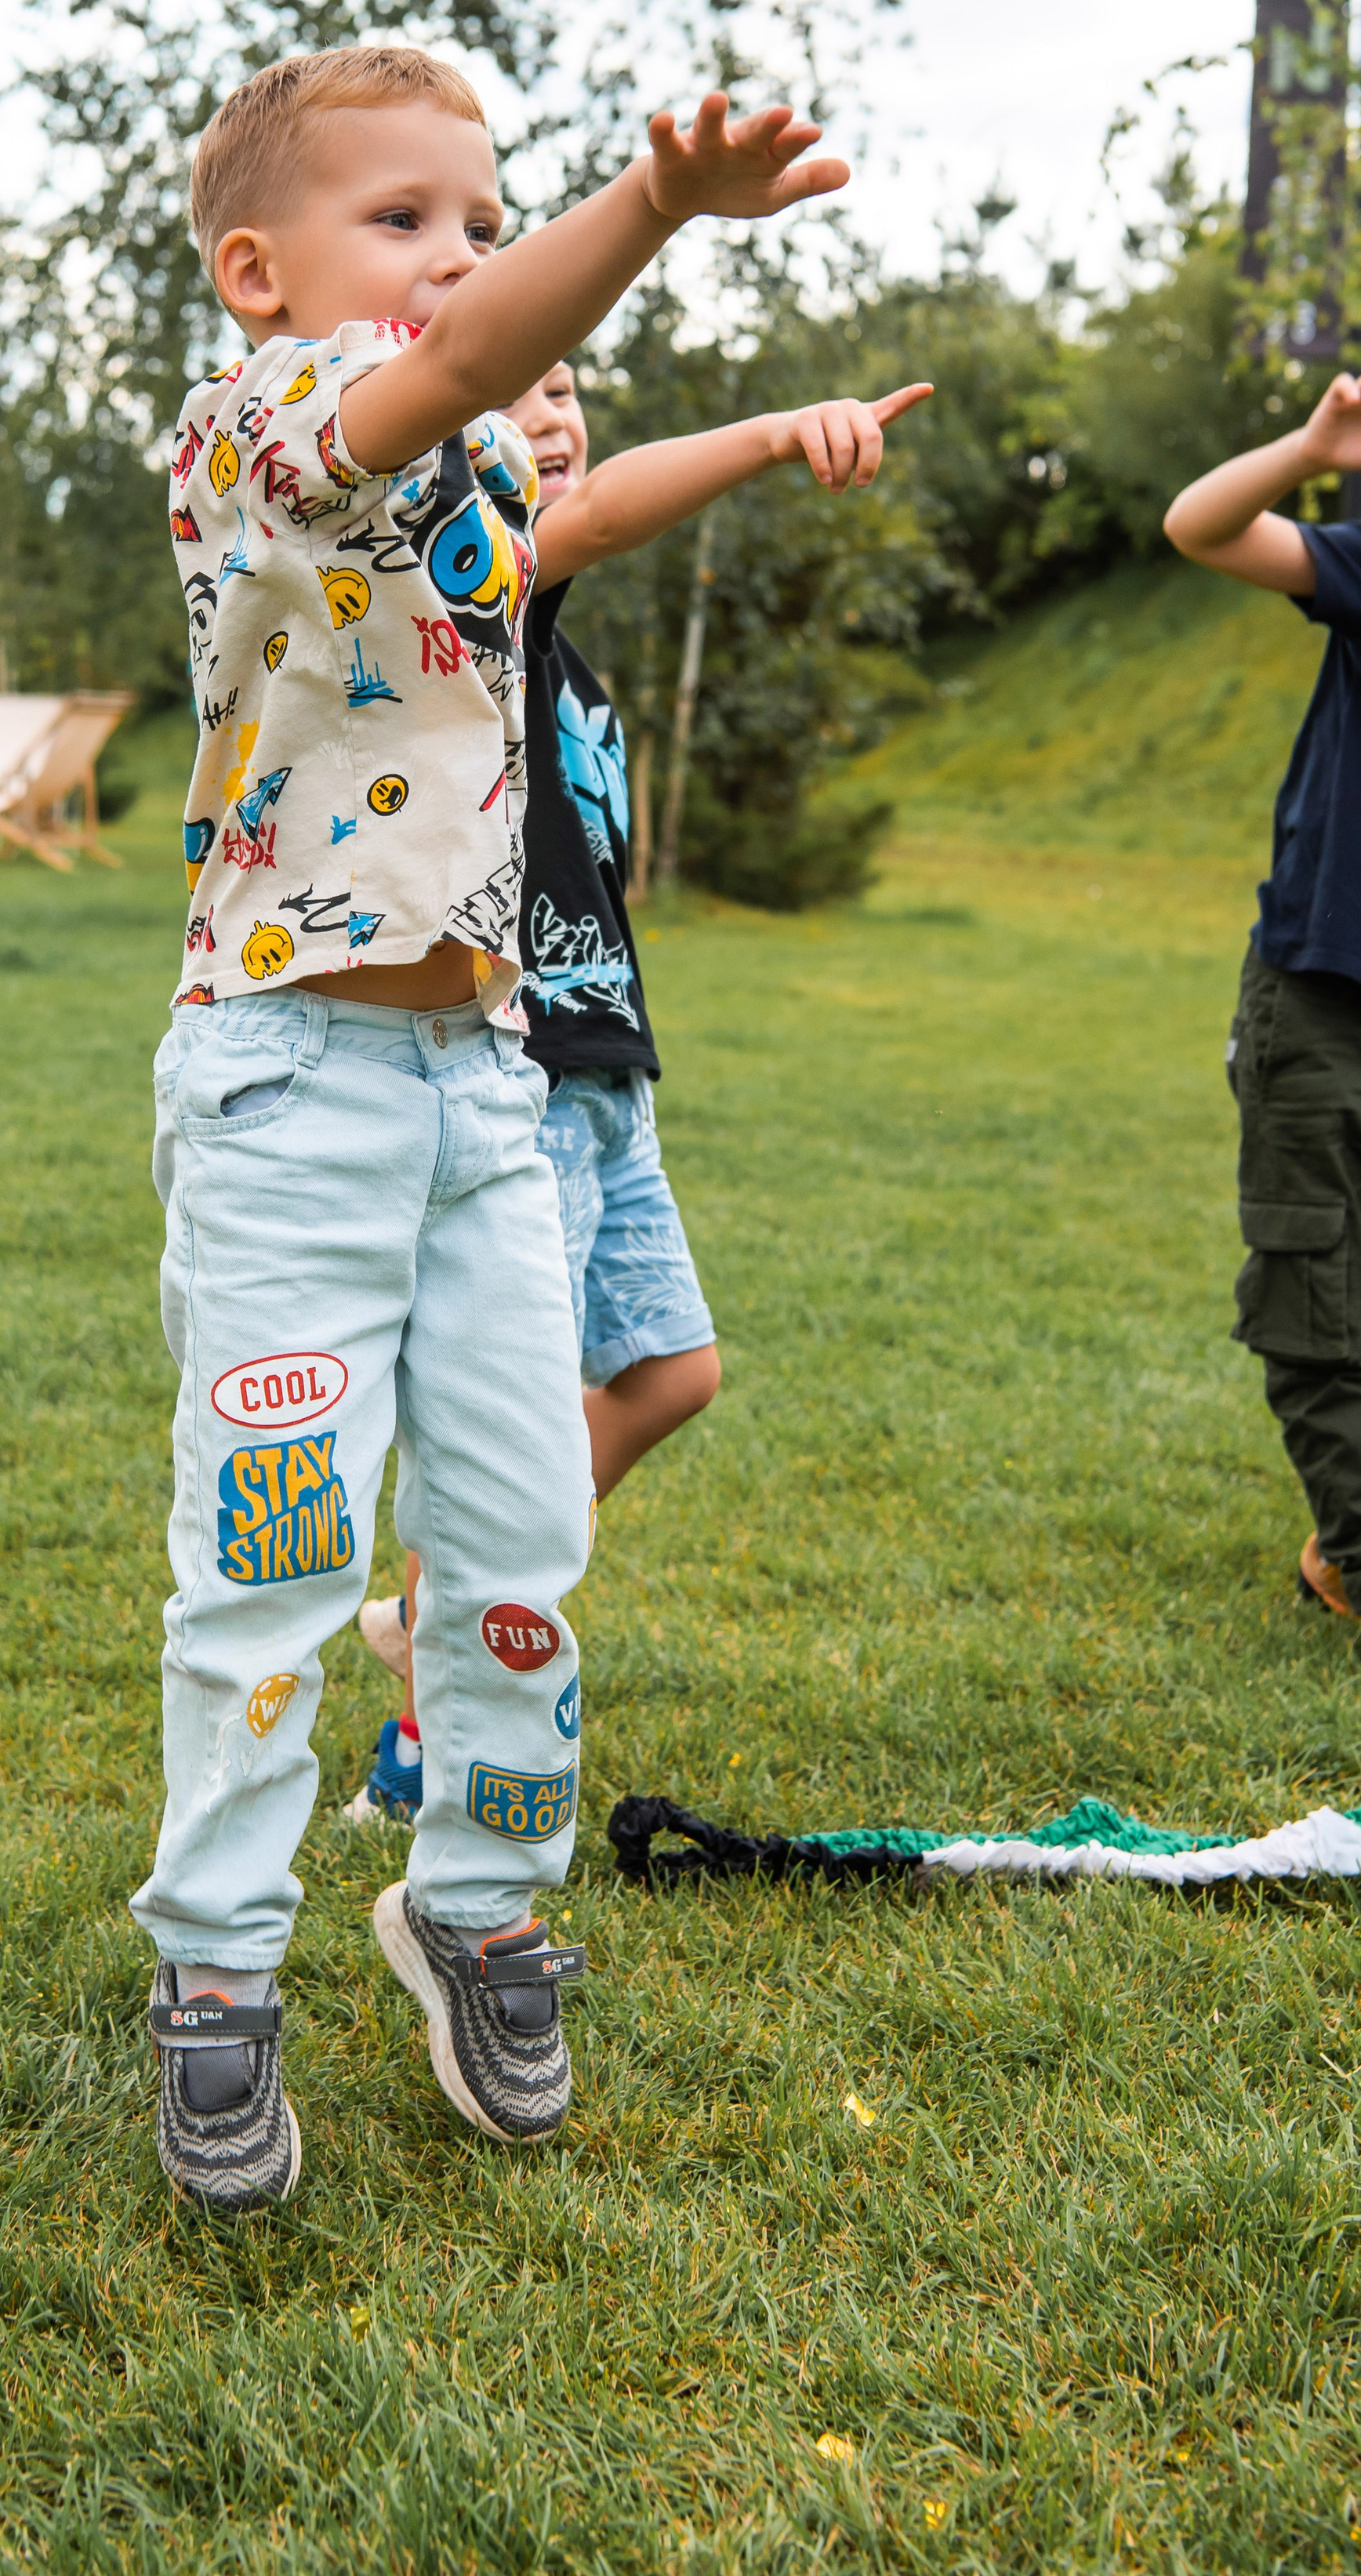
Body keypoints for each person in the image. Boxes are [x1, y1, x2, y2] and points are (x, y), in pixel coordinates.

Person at [139, 42, 850, 2211]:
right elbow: (460, 363)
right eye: (405, 218)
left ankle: (477, 1897)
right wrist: (643, 216)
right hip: (289, 1084)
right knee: (274, 1560)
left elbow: (584, 506)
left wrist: (770, 426)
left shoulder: (458, 499)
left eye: (481, 211)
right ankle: (218, 1972)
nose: (452, 253)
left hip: (490, 1085)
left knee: (525, 1539)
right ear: (260, 274)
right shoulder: (256, 431)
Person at [347, 358, 930, 1821]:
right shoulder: (483, 598)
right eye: (525, 387)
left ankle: (457, 1587)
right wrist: (774, 433)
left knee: (676, 1372)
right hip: (519, 1083)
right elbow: (592, 516)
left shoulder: (577, 668)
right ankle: (422, 1733)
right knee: (512, 1430)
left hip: (611, 1077)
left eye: (570, 389)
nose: (559, 412)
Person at [1164, 371, 1361, 1677]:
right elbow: (1200, 527)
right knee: (1328, 1315)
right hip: (1331, 1001)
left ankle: (1345, 1546)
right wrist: (1313, 448)